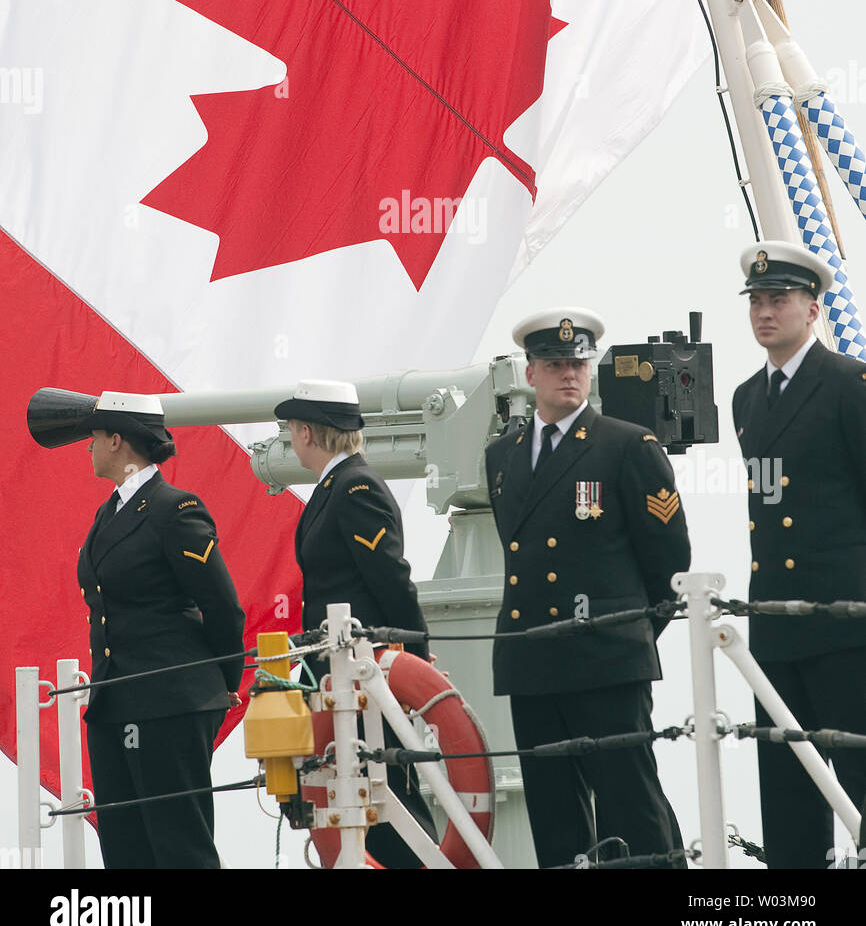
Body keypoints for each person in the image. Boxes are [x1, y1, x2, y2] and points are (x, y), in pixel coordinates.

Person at [485, 310, 691, 870]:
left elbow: (669, 566)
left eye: (578, 362)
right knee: (554, 820)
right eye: (554, 364)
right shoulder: (502, 456)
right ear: (531, 372)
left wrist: (625, 632)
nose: (568, 374)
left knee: (632, 808)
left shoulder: (627, 446)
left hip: (607, 660)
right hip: (531, 660)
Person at [733, 240, 866, 869]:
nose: (766, 312)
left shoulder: (848, 384)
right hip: (777, 631)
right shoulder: (746, 400)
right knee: (788, 797)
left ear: (813, 309)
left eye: (779, 299)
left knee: (861, 781)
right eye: (757, 301)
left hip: (846, 625)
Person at [69, 395, 246, 868]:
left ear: (116, 440)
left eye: (93, 437)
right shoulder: (109, 513)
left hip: (169, 701)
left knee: (179, 847)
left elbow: (222, 606)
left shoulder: (175, 508)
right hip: (116, 700)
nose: (87, 447)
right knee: (126, 852)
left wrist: (223, 682)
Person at [275, 378, 436, 868]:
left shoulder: (356, 487)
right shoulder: (334, 488)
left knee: (392, 801)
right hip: (338, 680)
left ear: (307, 432)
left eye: (290, 430)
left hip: (370, 678)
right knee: (359, 800)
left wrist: (417, 659)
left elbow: (392, 581)